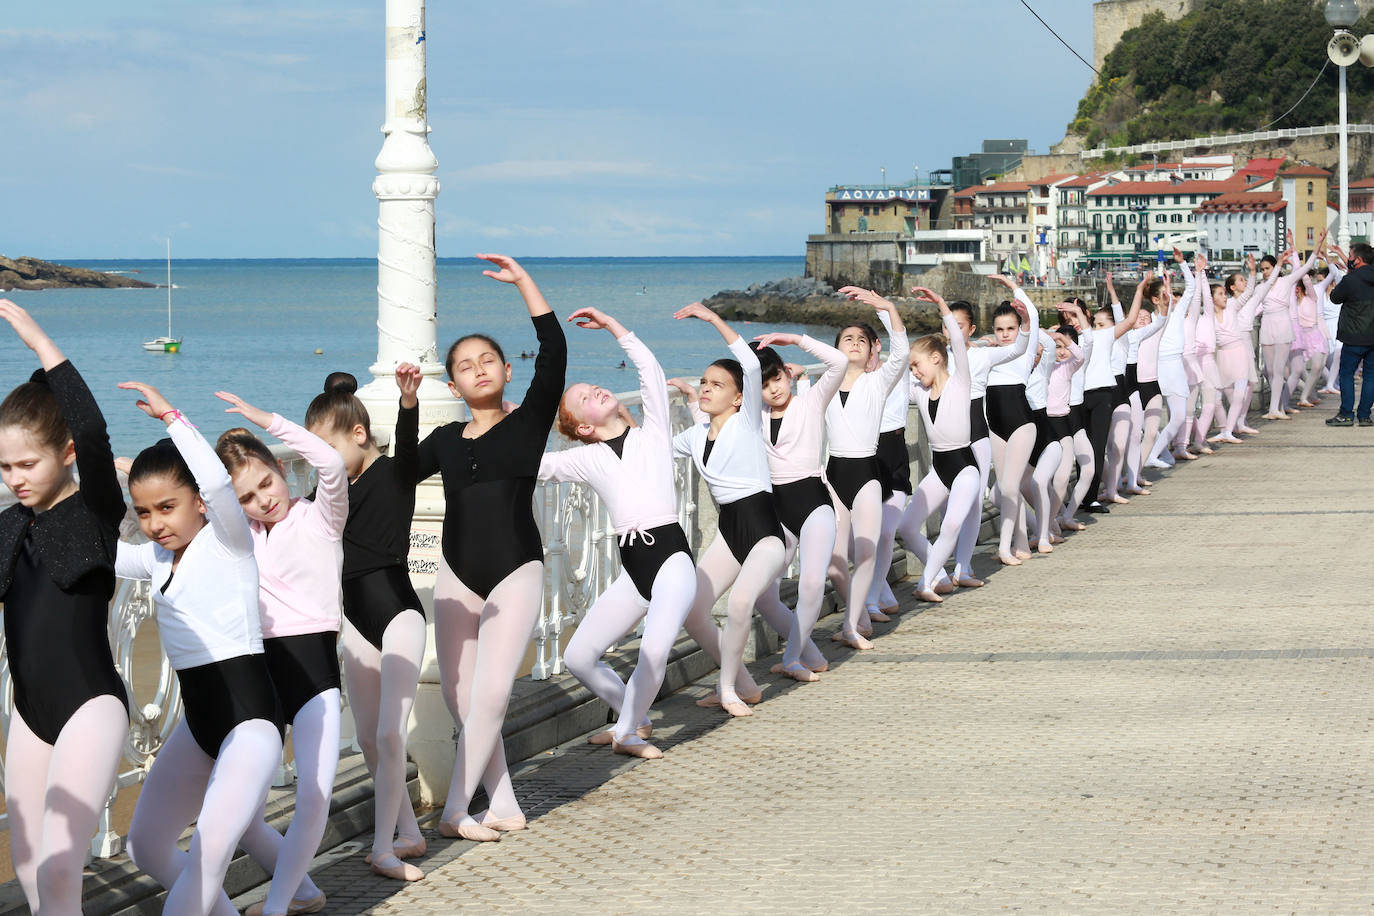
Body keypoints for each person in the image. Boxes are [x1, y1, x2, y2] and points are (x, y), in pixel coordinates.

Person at [116, 383, 286, 916]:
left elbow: (215, 478)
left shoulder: (228, 542)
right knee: (145, 846)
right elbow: (102, 552)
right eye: (143, 512)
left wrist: (171, 417)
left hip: (251, 723)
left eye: (167, 507)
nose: (155, 524)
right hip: (200, 725)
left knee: (211, 854)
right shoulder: (156, 560)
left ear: (198, 502)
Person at [424, 254, 567, 842]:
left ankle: (457, 808)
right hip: (456, 572)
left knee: (493, 693)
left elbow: (555, 350)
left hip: (515, 568)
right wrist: (407, 407)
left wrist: (525, 285)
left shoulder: (529, 421)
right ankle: (503, 802)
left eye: (487, 361)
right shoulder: (442, 440)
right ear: (452, 383)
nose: (477, 370)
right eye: (464, 366)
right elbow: (395, 472)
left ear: (507, 371)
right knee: (463, 701)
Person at [0, 302, 129, 914]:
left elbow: (97, 430)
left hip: (89, 707)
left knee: (57, 871)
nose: (15, 479)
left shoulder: (95, 513)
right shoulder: (7, 526)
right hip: (28, 714)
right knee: (28, 867)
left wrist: (39, 342)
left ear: (67, 452)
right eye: (3, 466)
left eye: (27, 464)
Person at [210, 392, 347, 915]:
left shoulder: (320, 518)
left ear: (281, 470)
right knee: (242, 810)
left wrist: (267, 422)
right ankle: (305, 893)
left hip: (313, 670)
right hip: (256, 672)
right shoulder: (242, 536)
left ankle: (277, 906)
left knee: (312, 794)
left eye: (266, 482)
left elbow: (331, 462)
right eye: (247, 496)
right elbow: (199, 497)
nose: (263, 500)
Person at [539, 307, 696, 756]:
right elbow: (539, 465)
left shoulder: (654, 435)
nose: (596, 391)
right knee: (577, 656)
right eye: (585, 397)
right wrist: (513, 418)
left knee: (654, 649)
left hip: (670, 557)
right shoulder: (587, 459)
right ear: (584, 427)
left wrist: (613, 325)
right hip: (634, 567)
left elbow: (650, 370)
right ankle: (636, 718)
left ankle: (625, 732)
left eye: (592, 387)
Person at [305, 367, 429, 881]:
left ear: (358, 435)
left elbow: (404, 440)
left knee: (389, 732)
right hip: (354, 619)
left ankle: (383, 847)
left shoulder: (394, 473)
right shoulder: (328, 493)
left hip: (399, 613)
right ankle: (409, 832)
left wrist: (407, 402)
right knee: (371, 741)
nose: (321, 466)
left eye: (325, 452)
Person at [671, 301, 784, 713]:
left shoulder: (747, 422)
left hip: (765, 533)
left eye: (716, 384)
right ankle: (743, 683)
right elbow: (649, 450)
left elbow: (751, 368)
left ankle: (726, 690)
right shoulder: (695, 435)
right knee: (693, 609)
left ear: (739, 399)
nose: (705, 387)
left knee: (739, 603)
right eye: (703, 382)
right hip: (730, 533)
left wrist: (714, 320)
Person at [749, 331, 847, 680]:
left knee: (810, 584)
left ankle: (791, 658)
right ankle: (810, 653)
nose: (774, 388)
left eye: (776, 378)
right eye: (764, 385)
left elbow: (839, 362)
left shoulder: (812, 401)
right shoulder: (754, 415)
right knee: (761, 594)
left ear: (786, 374)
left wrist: (795, 338)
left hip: (814, 504)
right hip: (777, 508)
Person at [822, 289, 909, 648]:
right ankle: (856, 616)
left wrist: (885, 306)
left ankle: (851, 626)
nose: (855, 342)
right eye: (847, 338)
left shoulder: (877, 382)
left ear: (871, 349)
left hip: (867, 474)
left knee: (868, 551)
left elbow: (902, 352)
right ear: (836, 349)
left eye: (861, 339)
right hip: (833, 475)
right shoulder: (823, 385)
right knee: (834, 562)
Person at [894, 287, 980, 603]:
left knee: (953, 522)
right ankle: (940, 576)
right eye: (912, 369)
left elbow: (957, 340)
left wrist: (942, 305)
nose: (915, 372)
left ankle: (925, 582)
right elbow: (893, 381)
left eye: (918, 366)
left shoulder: (960, 381)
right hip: (940, 468)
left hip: (965, 467)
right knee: (907, 526)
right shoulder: (919, 391)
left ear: (936, 358)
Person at [1327, 241, 1374, 426]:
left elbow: (1334, 298)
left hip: (1354, 337)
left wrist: (1349, 273)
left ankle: (1346, 414)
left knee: (1346, 374)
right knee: (1370, 376)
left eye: (1351, 257)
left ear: (1358, 259)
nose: (1350, 260)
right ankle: (1364, 416)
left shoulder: (1351, 280)